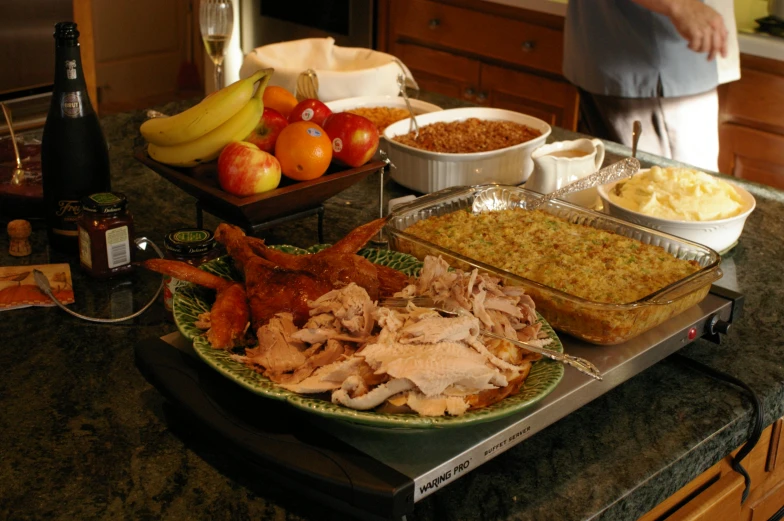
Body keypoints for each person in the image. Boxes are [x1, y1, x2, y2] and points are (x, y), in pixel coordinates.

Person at [563, 0, 740, 172]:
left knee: (620, 186)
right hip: (653, 67)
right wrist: (680, 4)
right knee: (678, 191)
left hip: (617, 57)